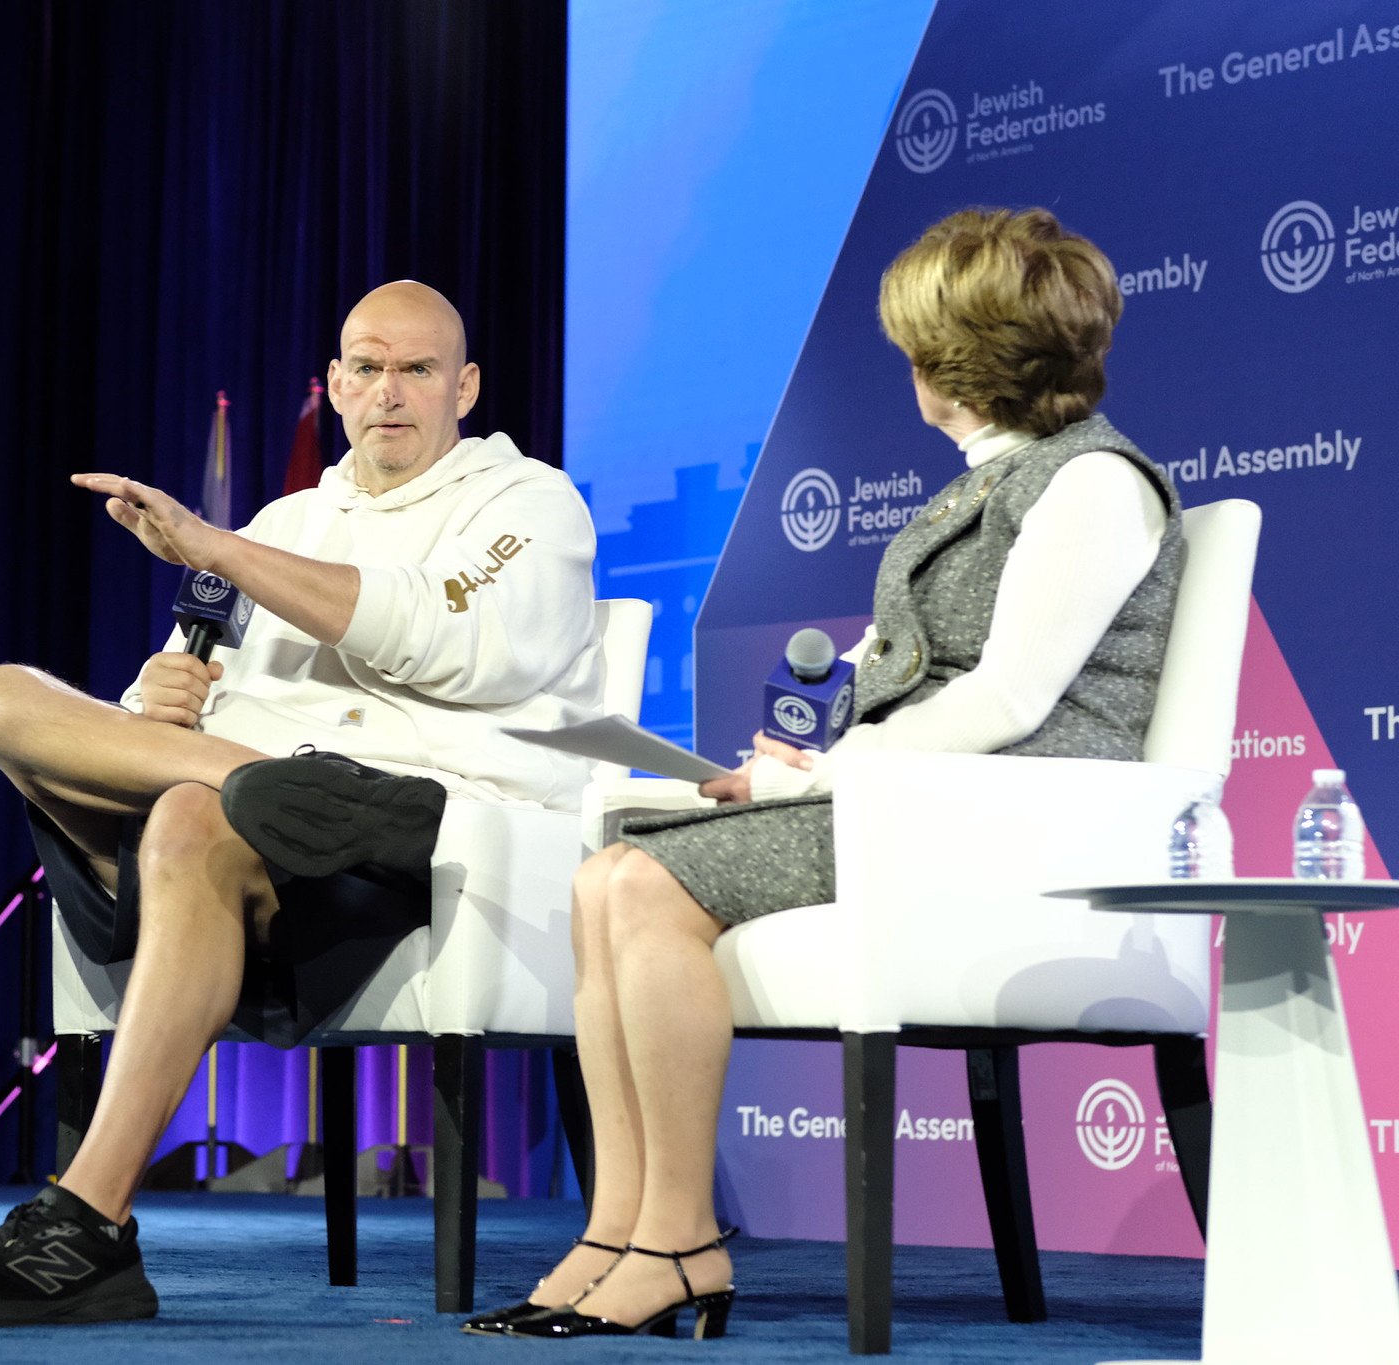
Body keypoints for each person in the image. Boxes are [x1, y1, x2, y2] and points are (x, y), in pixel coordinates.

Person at [476, 208, 1184, 1341]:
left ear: (955, 357)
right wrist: (788, 756)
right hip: (915, 803)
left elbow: (1008, 702)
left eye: (914, 343)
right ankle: (616, 1228)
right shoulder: (982, 484)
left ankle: (678, 1240)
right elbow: (898, 665)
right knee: (606, 873)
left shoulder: (1093, 484)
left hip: (1009, 823)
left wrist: (811, 781)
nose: (900, 363)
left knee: (646, 887)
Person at [0, 280, 606, 1327]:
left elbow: (448, 641)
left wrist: (215, 546)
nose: (387, 392)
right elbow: (187, 678)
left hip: (407, 834)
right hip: (244, 806)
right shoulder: (292, 516)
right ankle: (250, 783)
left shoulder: (528, 503)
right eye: (365, 367)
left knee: (187, 816)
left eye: (415, 369)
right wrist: (158, 700)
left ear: (466, 385)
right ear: (333, 383)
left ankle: (84, 1228)